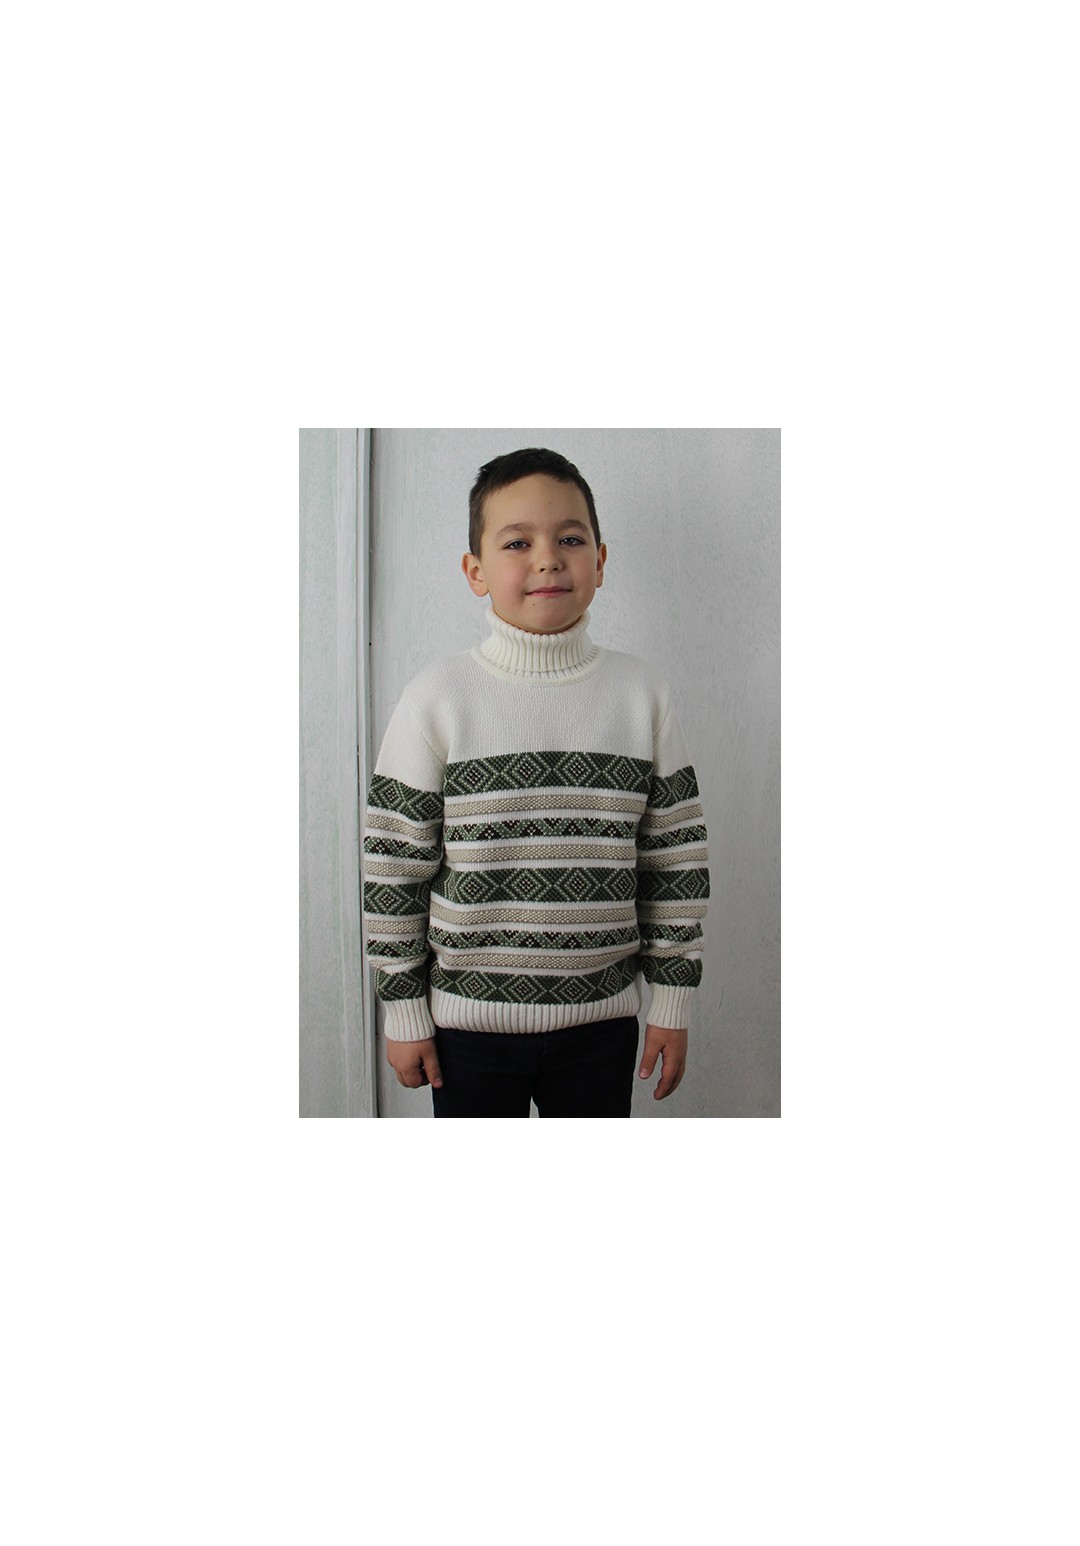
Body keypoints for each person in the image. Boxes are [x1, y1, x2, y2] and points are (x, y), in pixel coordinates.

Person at [361, 447, 710, 1117]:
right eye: (518, 542)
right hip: (465, 1032)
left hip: (602, 1027)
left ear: (600, 562)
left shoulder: (641, 695)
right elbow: (393, 867)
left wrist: (672, 1000)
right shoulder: (437, 698)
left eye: (570, 540)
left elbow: (676, 862)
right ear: (476, 571)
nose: (547, 559)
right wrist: (402, 1009)